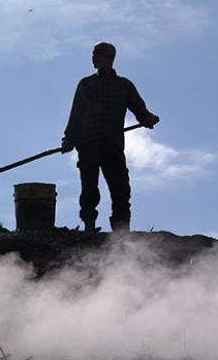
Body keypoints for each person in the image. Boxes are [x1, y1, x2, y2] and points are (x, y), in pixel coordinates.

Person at [61, 42, 160, 232]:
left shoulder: (124, 86)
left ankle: (122, 231)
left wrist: (148, 118)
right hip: (88, 145)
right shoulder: (86, 84)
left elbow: (139, 108)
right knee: (89, 187)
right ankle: (89, 226)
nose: (93, 57)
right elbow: (76, 113)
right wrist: (68, 139)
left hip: (113, 145)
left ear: (109, 58)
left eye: (97, 54)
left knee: (121, 188)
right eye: (93, 54)